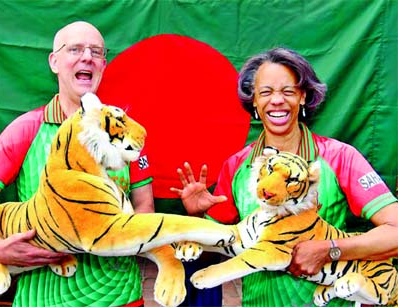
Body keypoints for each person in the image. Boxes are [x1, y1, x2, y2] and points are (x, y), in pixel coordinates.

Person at [171, 47, 398, 307]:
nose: (277, 100)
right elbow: (211, 252)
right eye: (266, 92)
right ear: (254, 100)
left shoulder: (340, 157)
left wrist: (330, 249)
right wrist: (196, 217)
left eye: (288, 91)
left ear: (303, 97)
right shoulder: (237, 166)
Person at [0, 21, 154, 307]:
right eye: (75, 49)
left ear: (103, 65)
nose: (87, 57)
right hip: (44, 298)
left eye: (96, 52)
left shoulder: (124, 133)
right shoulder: (26, 129)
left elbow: (145, 207)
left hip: (122, 296)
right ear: (54, 61)